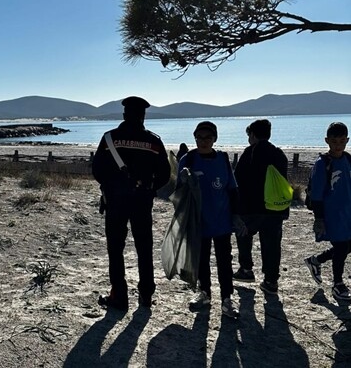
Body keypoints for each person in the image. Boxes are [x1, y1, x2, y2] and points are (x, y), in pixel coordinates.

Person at [92, 96, 171, 310]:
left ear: (124, 115)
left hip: (115, 201)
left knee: (115, 249)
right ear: (143, 115)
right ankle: (146, 294)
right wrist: (150, 188)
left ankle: (119, 295)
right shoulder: (153, 141)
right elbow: (165, 173)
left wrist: (110, 186)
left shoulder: (110, 138)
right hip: (142, 201)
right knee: (144, 247)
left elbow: (97, 169)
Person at [178, 121, 244, 318]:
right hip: (198, 221)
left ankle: (227, 299)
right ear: (195, 138)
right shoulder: (188, 159)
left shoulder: (222, 159)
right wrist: (183, 182)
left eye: (208, 138)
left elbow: (232, 189)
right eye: (200, 137)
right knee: (202, 259)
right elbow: (178, 194)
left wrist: (236, 216)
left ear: (215, 139)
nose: (204, 141)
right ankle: (204, 293)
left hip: (221, 221)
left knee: (225, 260)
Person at [233, 119, 288, 295]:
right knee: (272, 244)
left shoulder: (250, 153)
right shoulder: (278, 154)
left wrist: (237, 207)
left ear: (253, 134)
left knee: (243, 235)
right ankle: (271, 280)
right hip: (275, 208)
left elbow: (238, 180)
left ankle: (246, 269)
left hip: (252, 207)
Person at [304, 122, 351, 301]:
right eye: (334, 141)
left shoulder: (348, 159)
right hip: (332, 214)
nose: (338, 145)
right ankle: (338, 285)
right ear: (327, 141)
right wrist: (319, 218)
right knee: (341, 247)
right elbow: (316, 194)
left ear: (347, 140)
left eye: (341, 141)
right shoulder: (322, 163)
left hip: (347, 212)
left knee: (347, 245)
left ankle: (316, 261)